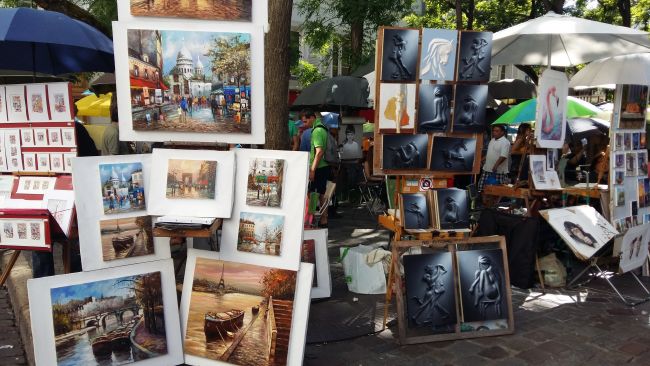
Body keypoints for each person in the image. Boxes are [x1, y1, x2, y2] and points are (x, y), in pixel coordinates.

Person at [301, 108, 329, 227]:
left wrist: (312, 169)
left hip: (318, 167)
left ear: (312, 118)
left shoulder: (317, 131)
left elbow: (319, 152)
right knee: (321, 194)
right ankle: (323, 219)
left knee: (312, 194)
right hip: (323, 166)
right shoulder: (322, 128)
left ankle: (310, 219)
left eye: (305, 121)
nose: (304, 124)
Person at [478, 124, 511, 192]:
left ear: (502, 132)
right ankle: (484, 202)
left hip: (498, 171)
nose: (494, 132)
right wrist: (481, 160)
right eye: (493, 131)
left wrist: (495, 166)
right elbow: (489, 153)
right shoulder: (492, 140)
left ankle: (494, 202)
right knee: (482, 189)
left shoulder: (505, 142)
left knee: (497, 191)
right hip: (486, 169)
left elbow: (503, 156)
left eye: (497, 131)